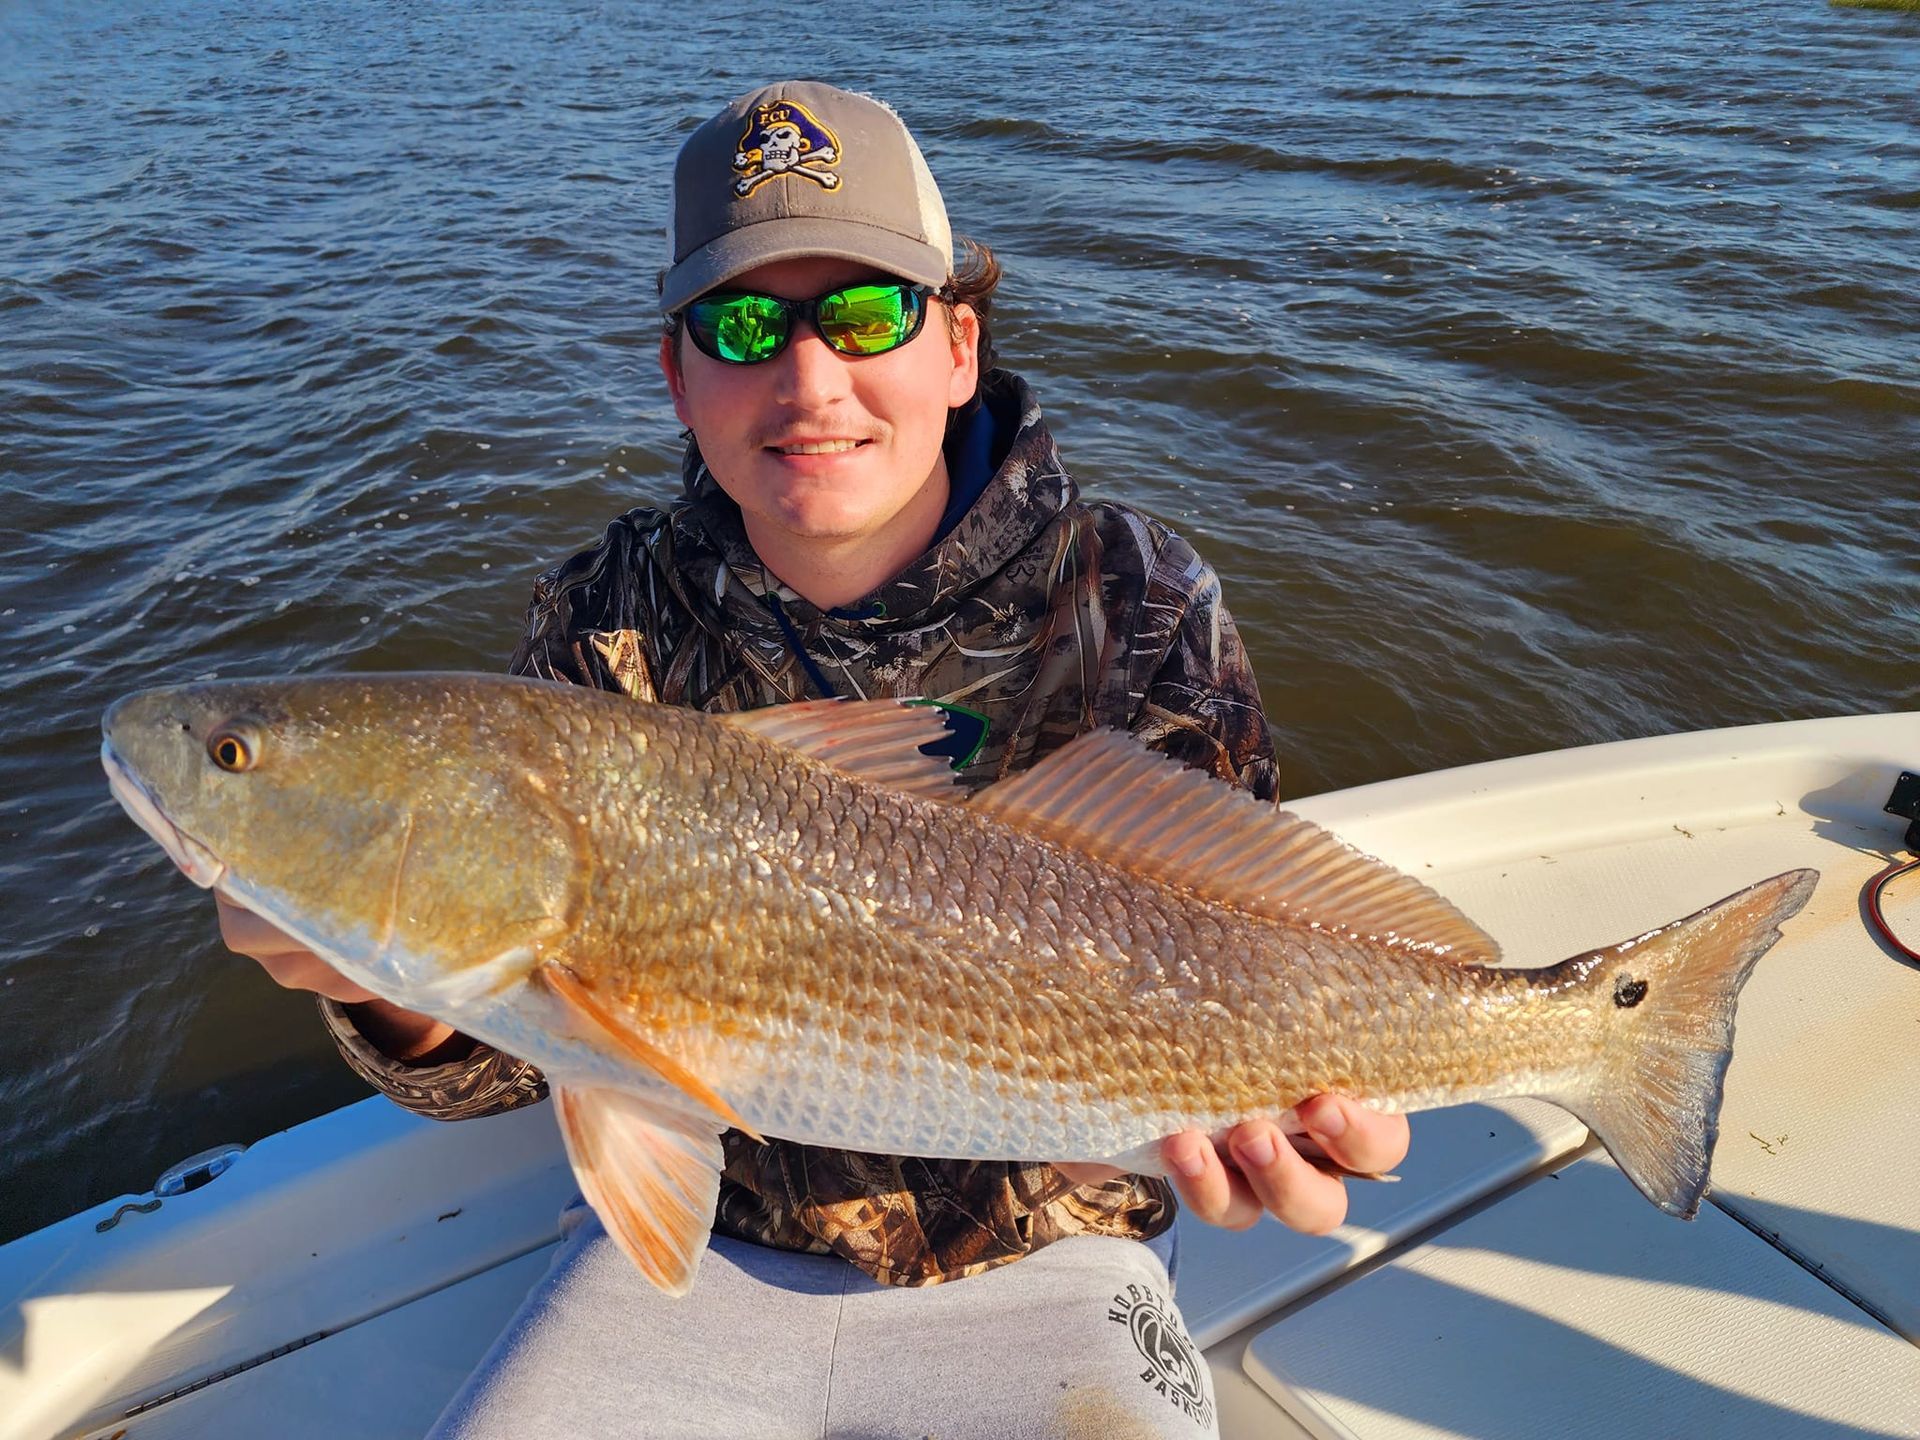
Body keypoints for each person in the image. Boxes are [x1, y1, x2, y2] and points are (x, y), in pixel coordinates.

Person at [216, 81, 1411, 1438]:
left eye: (862, 312)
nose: (808, 380)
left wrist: (1303, 1134)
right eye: (742, 325)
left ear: (959, 342)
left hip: (1060, 1259)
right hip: (691, 1261)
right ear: (677, 374)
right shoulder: (602, 617)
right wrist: (385, 983)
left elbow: (1249, 933)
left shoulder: (1136, 598)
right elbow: (523, 1059)